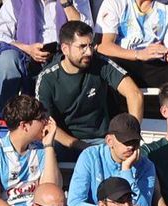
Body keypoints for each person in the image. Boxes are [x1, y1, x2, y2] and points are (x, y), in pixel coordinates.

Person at [35, 20, 145, 152]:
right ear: (65, 49)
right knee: (41, 151)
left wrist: (131, 134)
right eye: (82, 46)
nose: (89, 52)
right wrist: (79, 145)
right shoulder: (47, 77)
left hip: (101, 140)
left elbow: (135, 94)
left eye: (91, 45)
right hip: (63, 142)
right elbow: (46, 122)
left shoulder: (100, 63)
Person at [0, 0, 89, 109]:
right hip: (26, 58)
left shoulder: (76, 2)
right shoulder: (16, 2)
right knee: (7, 60)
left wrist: (67, 5)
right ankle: (7, 115)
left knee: (80, 53)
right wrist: (28, 49)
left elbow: (87, 33)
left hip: (62, 58)